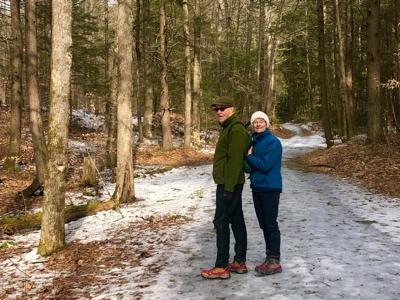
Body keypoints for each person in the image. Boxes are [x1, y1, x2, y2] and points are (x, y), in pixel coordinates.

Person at [201, 96, 248, 280]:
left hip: (230, 184)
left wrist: (228, 188)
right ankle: (239, 262)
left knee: (220, 221)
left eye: (223, 108)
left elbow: (235, 161)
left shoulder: (235, 129)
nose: (219, 111)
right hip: (231, 183)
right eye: (216, 109)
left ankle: (221, 266)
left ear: (232, 109)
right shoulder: (230, 127)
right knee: (236, 221)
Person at [246, 111, 283, 276]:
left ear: (266, 124)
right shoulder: (255, 140)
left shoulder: (273, 142)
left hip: (270, 187)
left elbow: (266, 165)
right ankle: (269, 256)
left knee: (271, 224)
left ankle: (275, 259)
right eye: (255, 122)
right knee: (263, 223)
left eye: (261, 121)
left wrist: (249, 157)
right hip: (257, 187)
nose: (258, 124)